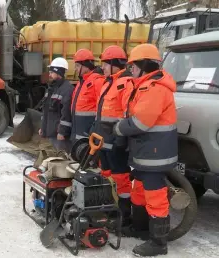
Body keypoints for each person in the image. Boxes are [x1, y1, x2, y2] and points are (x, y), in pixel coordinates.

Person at [113, 43, 178, 257]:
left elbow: (141, 122)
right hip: (145, 152)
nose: (130, 70)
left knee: (155, 196)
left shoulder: (156, 88)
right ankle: (140, 229)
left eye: (133, 66)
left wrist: (119, 127)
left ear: (145, 65)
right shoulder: (143, 85)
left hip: (155, 154)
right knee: (139, 191)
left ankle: (158, 243)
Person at [93, 45, 134, 226]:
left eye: (105, 64)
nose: (102, 67)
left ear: (115, 64)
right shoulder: (108, 82)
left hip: (117, 143)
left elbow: (128, 114)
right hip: (104, 141)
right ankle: (109, 208)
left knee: (121, 178)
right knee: (106, 175)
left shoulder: (126, 83)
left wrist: (121, 140)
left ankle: (124, 214)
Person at [39, 57, 73, 152]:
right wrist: (42, 127)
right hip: (51, 132)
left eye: (51, 72)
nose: (49, 74)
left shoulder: (67, 89)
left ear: (59, 72)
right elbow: (46, 110)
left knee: (62, 157)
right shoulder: (51, 88)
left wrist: (62, 132)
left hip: (59, 135)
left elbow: (66, 114)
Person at [71, 49, 104, 144]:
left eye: (77, 66)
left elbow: (102, 108)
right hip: (78, 132)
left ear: (86, 66)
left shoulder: (97, 81)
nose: (75, 69)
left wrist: (94, 129)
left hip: (89, 133)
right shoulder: (81, 82)